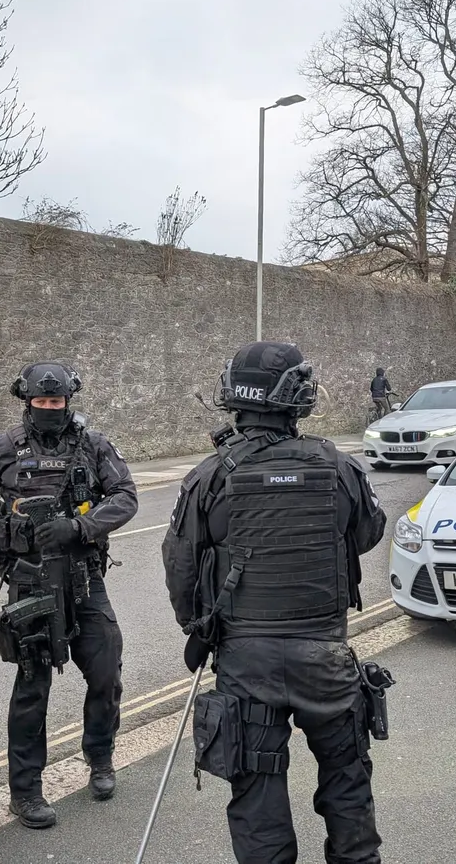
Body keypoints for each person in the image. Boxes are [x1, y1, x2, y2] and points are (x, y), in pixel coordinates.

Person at [162, 341, 389, 864]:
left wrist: (196, 627)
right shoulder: (339, 467)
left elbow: (180, 562)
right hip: (325, 654)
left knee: (257, 788)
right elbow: (368, 533)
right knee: (347, 775)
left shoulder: (210, 475)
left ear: (233, 397)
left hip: (247, 659)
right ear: (297, 398)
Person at [0, 361, 138, 829]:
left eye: (56, 401)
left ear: (68, 401)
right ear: (27, 402)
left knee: (106, 673)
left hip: (84, 579)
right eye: (41, 401)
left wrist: (80, 526)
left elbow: (125, 496)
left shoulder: (94, 445)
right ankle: (25, 792)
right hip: (30, 582)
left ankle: (100, 757)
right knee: (32, 688)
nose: (49, 408)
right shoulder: (3, 448)